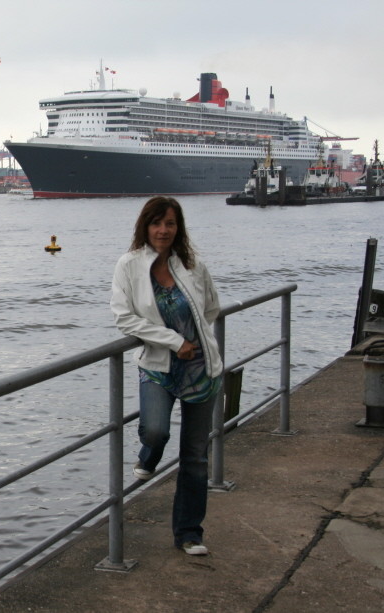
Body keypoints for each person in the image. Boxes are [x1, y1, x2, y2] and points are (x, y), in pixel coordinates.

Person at [110, 196, 223, 556]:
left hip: (200, 370)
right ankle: (148, 457)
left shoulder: (192, 264)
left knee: (195, 456)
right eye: (156, 223)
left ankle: (189, 533)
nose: (163, 230)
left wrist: (194, 341)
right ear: (145, 227)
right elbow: (125, 318)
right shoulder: (128, 265)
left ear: (179, 228)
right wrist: (174, 341)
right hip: (159, 365)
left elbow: (212, 308)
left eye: (170, 224)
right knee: (156, 430)